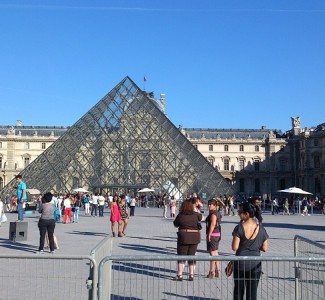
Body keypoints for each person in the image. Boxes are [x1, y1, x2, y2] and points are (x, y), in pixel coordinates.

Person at [232, 202, 269, 300]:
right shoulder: (261, 228)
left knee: (238, 292)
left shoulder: (239, 228)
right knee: (252, 294)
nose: (238, 213)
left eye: (240, 212)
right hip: (255, 265)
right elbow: (265, 248)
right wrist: (256, 245)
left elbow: (235, 247)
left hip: (240, 264)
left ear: (247, 214)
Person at [173, 199, 203, 281]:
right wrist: (196, 208)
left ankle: (179, 275)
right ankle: (191, 275)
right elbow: (202, 217)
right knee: (192, 255)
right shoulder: (196, 214)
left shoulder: (180, 215)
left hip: (184, 237)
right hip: (195, 237)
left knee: (181, 256)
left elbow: (175, 224)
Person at [205, 198, 222, 278]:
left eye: (210, 204)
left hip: (213, 235)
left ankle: (212, 272)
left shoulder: (213, 214)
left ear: (215, 206)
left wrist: (209, 234)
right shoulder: (217, 212)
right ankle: (218, 270)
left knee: (212, 253)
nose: (208, 206)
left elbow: (212, 224)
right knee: (215, 252)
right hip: (217, 234)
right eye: (208, 204)